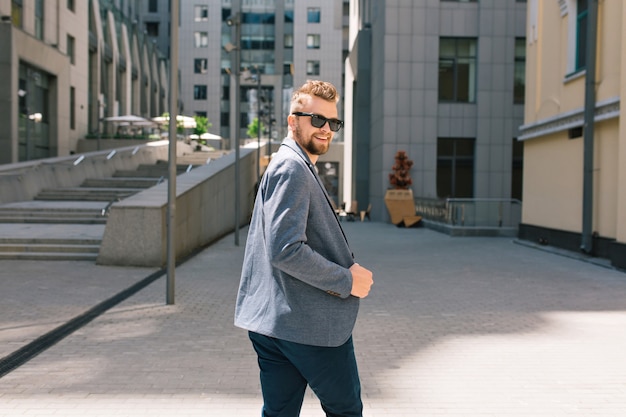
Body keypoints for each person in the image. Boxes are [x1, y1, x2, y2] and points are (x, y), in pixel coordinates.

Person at [234, 79, 374, 417]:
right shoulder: (292, 168)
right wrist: (346, 280)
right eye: (317, 120)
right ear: (292, 120)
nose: (326, 129)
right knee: (346, 410)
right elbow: (285, 249)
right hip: (309, 326)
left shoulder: (292, 164)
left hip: (277, 323)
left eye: (333, 122)